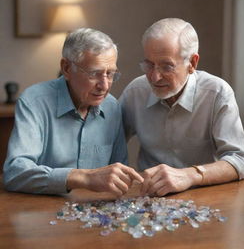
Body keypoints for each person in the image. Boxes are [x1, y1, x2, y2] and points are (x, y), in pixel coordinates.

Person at [119, 18, 244, 197]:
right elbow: (107, 146)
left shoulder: (217, 93)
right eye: (149, 65)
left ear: (192, 63)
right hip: (150, 198)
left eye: (167, 67)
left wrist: (189, 175)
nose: (155, 77)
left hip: (205, 196)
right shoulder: (136, 92)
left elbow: (240, 161)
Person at [3, 28, 143, 196]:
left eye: (110, 74)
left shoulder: (112, 106)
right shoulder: (34, 102)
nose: (104, 86)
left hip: (96, 213)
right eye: (94, 74)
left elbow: (119, 176)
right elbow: (14, 174)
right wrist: (84, 177)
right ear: (67, 68)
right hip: (42, 211)